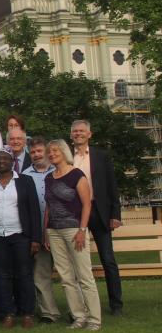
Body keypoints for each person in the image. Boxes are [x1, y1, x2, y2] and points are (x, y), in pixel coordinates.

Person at [0, 150, 42, 329]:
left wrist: (36, 238)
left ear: (12, 162)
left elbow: (34, 211)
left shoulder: (24, 181)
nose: (2, 162)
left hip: (21, 236)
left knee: (24, 275)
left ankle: (27, 313)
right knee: (2, 277)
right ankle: (8, 313)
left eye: (5, 159)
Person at [45, 139, 101, 330]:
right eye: (49, 152)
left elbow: (87, 204)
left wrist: (82, 230)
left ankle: (94, 319)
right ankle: (79, 317)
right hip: (54, 231)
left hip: (74, 230)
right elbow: (48, 207)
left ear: (63, 151)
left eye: (55, 150)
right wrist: (46, 231)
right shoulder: (49, 177)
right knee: (66, 277)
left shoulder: (77, 174)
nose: (52, 154)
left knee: (84, 276)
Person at [71, 119, 123, 316]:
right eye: (75, 131)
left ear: (89, 134)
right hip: (76, 215)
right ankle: (81, 306)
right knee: (78, 262)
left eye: (82, 131)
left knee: (108, 259)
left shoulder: (101, 156)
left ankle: (116, 304)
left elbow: (112, 186)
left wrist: (115, 214)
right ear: (71, 135)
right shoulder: (67, 158)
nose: (78, 134)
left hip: (100, 212)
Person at [21, 137, 61, 323]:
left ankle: (79, 310)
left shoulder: (60, 170)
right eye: (34, 152)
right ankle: (49, 312)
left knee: (69, 273)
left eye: (40, 151)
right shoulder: (25, 175)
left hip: (61, 228)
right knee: (41, 273)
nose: (37, 155)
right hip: (38, 231)